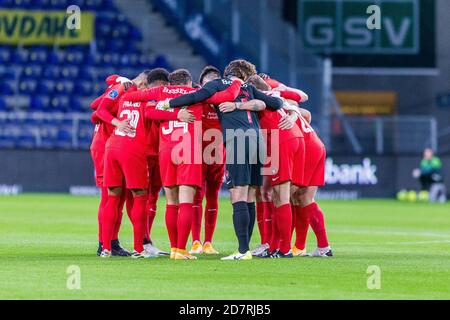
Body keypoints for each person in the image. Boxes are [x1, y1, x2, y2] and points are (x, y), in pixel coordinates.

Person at [124, 69, 241, 260]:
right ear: (189, 82)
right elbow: (227, 96)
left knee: (172, 203)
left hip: (166, 150)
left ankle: (173, 249)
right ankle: (181, 249)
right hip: (188, 149)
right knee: (186, 201)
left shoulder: (160, 92)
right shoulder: (196, 95)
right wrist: (236, 82)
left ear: (170, 83)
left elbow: (140, 103)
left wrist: (123, 83)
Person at [90, 73, 146, 257]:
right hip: (104, 145)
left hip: (114, 146)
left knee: (118, 198)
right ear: (144, 83)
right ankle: (102, 243)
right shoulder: (123, 88)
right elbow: (97, 110)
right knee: (109, 196)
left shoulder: (124, 90)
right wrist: (117, 123)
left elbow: (95, 108)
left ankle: (112, 242)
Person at [190, 66, 227, 255]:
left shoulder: (226, 103)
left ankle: (208, 243)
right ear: (201, 85)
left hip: (218, 157)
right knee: (197, 197)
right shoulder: (196, 100)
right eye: (206, 85)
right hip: (196, 156)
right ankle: (195, 241)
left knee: (213, 197)